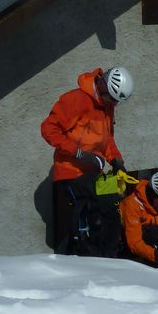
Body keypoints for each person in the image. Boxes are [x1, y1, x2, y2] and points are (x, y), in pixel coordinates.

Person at [41, 66, 133, 254]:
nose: (114, 105)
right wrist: (79, 154)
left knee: (113, 206)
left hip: (92, 174)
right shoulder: (76, 100)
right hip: (69, 173)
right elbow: (48, 129)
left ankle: (106, 256)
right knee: (97, 209)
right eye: (113, 100)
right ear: (103, 87)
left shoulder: (106, 106)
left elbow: (107, 139)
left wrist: (116, 160)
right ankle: (91, 254)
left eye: (117, 102)